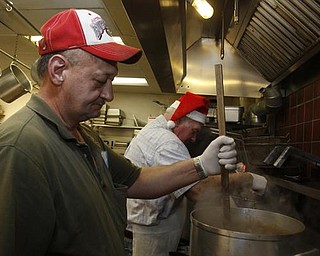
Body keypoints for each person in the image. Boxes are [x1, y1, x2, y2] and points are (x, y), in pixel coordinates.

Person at [0, 9, 238, 256]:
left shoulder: (85, 136)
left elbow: (136, 179)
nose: (109, 95)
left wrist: (200, 165)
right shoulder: (21, 147)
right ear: (58, 70)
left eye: (111, 81)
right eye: (100, 81)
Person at [125, 92, 268, 256]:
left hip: (149, 228)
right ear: (178, 120)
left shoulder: (155, 131)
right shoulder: (166, 142)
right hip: (151, 235)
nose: (193, 139)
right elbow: (199, 191)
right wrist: (249, 179)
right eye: (194, 131)